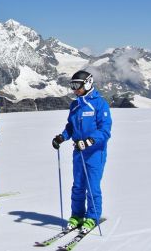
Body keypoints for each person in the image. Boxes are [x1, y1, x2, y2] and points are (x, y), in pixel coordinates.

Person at [51, 70, 112, 233]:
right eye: (72, 85)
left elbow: (105, 131)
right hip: (78, 151)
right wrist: (62, 137)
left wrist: (89, 141)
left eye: (77, 85)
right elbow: (71, 126)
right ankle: (77, 215)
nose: (74, 89)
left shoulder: (100, 104)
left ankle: (92, 217)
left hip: (95, 153)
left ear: (88, 83)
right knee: (78, 185)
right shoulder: (75, 105)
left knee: (92, 186)